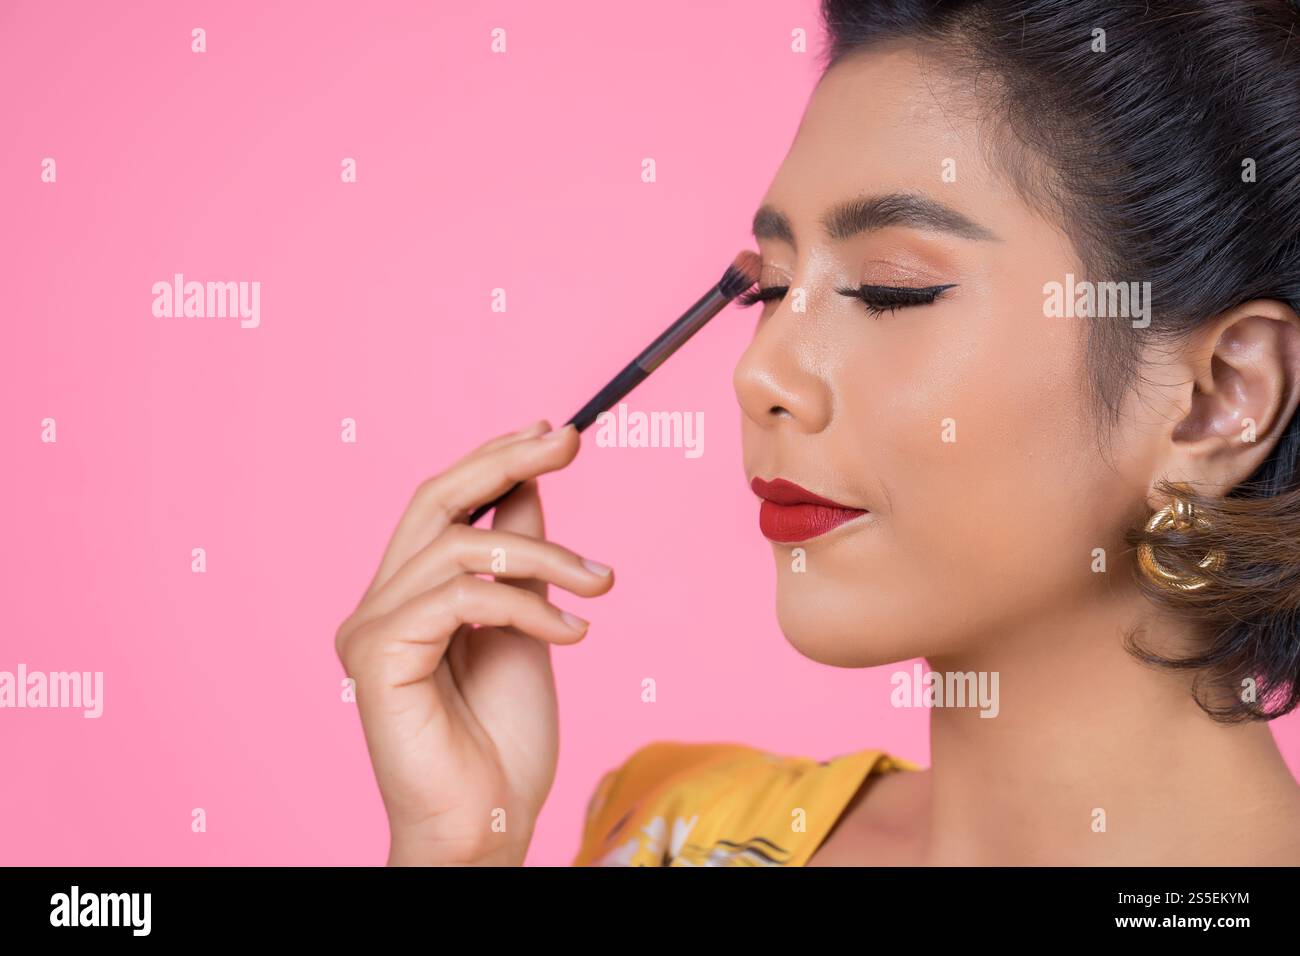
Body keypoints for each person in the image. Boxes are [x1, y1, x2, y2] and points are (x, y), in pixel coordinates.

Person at [336, 0, 1300, 866]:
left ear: (1218, 396)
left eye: (891, 290)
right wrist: (453, 849)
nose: (759, 373)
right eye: (773, 287)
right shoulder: (670, 830)